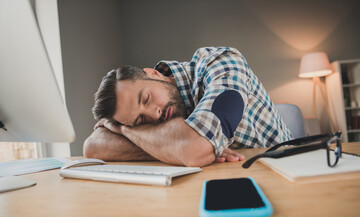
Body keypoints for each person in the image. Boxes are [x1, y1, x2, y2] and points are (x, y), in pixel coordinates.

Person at [83, 47, 293, 167]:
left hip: (287, 169)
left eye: (146, 98)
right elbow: (92, 148)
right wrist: (174, 148)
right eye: (140, 122)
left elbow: (193, 151)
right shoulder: (150, 115)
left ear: (153, 73)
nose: (154, 115)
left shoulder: (222, 63)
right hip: (230, 178)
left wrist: (124, 130)